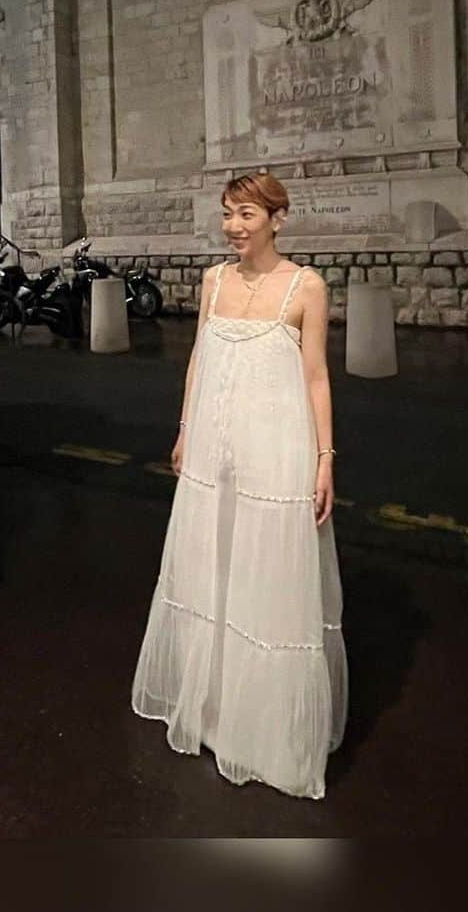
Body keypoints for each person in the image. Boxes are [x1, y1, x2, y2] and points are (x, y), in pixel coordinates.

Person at [132, 171, 347, 799]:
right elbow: (201, 356)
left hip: (278, 450)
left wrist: (325, 458)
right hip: (213, 447)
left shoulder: (305, 286)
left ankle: (270, 731)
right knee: (213, 568)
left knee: (268, 579)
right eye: (228, 214)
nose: (233, 227)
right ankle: (211, 708)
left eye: (246, 214)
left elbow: (315, 378)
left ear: (277, 219)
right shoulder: (214, 281)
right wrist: (185, 428)